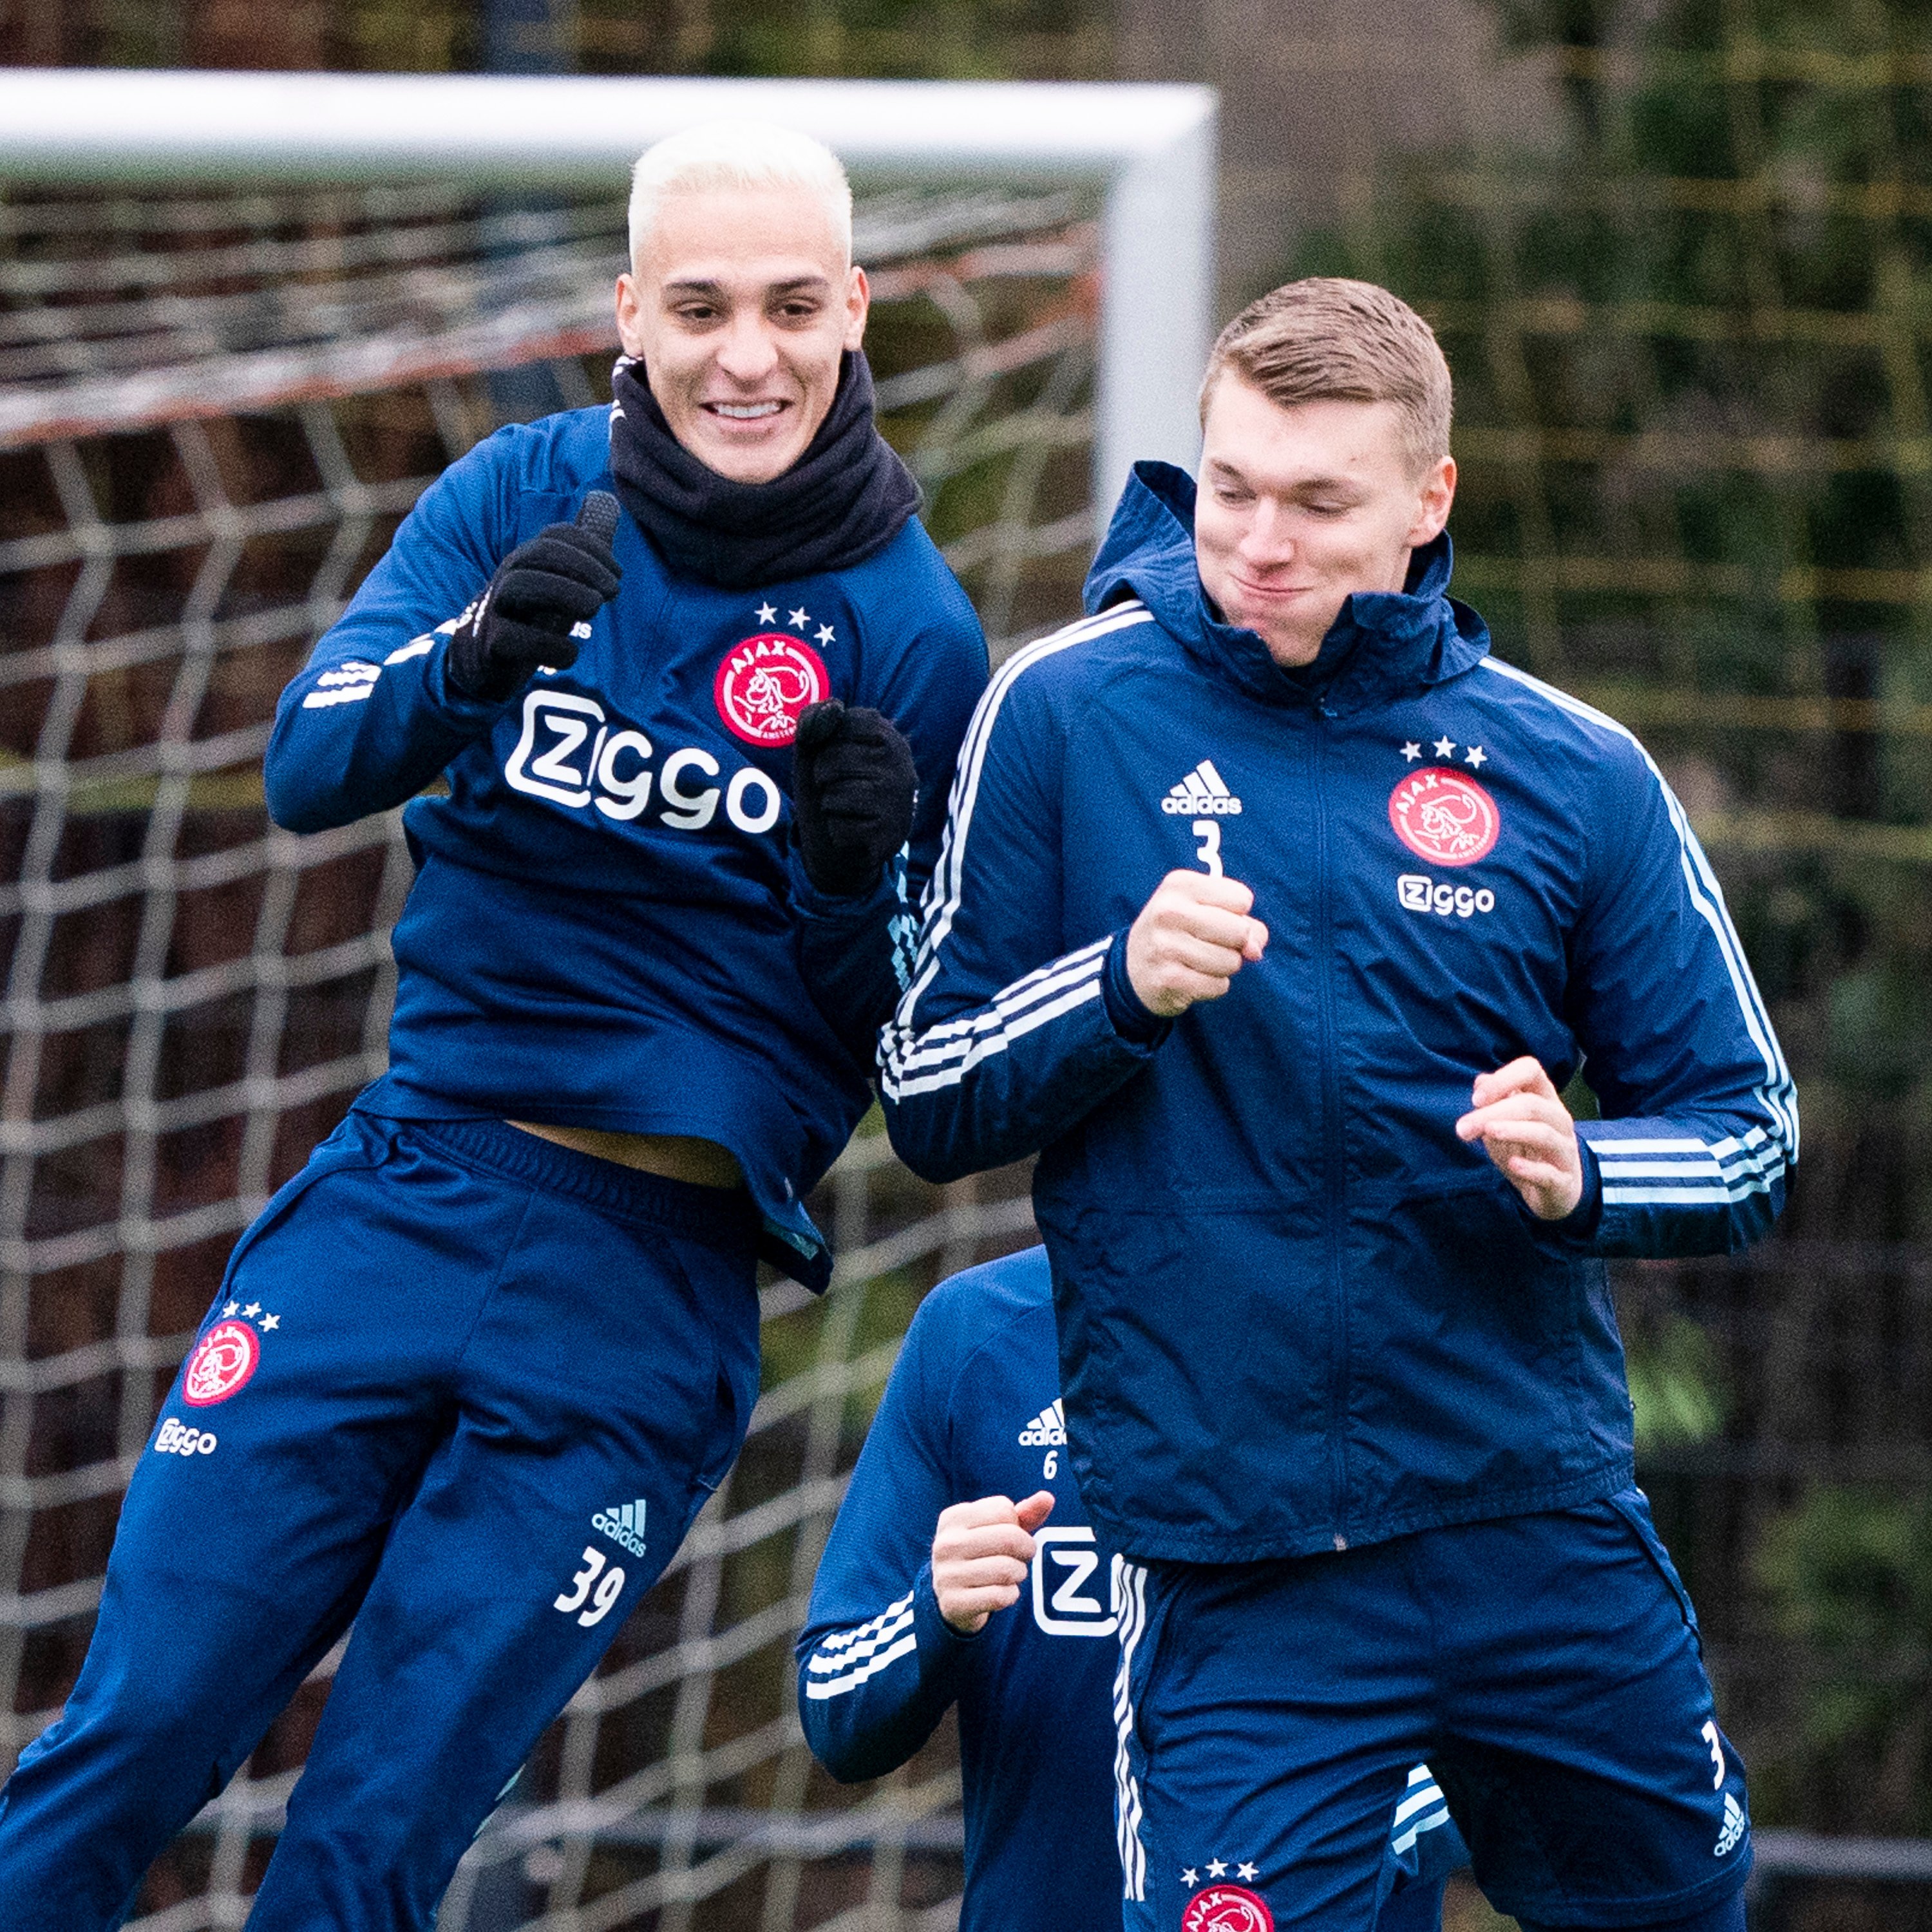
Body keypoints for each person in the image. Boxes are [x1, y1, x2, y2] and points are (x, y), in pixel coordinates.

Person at [0, 122, 987, 1931]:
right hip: (404, 1198)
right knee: (130, 1738)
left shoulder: (915, 632)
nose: (745, 355)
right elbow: (308, 761)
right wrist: (464, 666)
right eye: (699, 307)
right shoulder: (523, 495)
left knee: (367, 1852)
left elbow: (897, 1059)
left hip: (642, 1294)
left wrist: (852, 887)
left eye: (788, 308)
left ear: (854, 309)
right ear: (629, 311)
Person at [879, 278, 1794, 1932]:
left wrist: (1583, 1170)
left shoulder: (1574, 769)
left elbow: (1747, 1131)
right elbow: (926, 1091)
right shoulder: (1064, 712)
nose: (1259, 544)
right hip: (1238, 1567)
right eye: (1230, 488)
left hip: (1532, 1527)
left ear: (1428, 499)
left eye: (1317, 503)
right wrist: (1112, 990)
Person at [797, 1244, 1467, 1932]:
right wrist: (934, 1612)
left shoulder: (1403, 1313)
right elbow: (833, 1708)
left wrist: (1327, 1840)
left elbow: (1513, 1676)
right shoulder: (976, 1329)